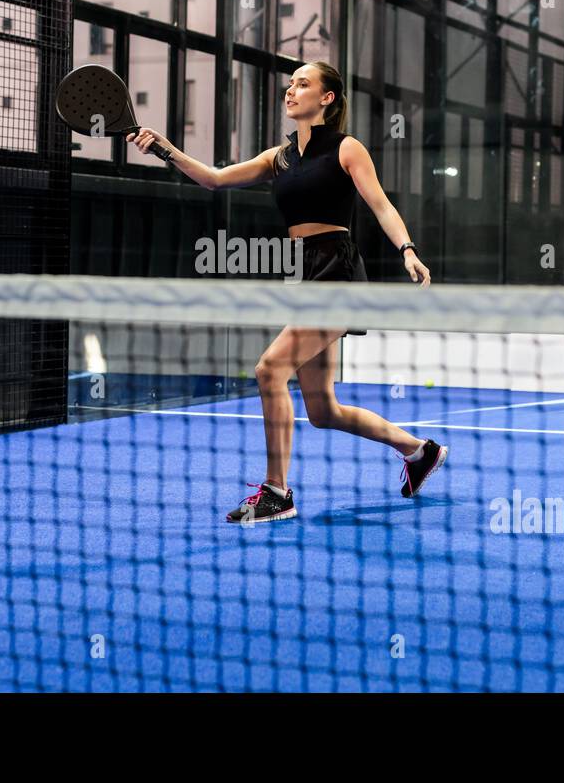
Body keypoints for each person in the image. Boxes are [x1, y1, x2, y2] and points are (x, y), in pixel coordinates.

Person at [126, 61, 447, 524]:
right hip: (302, 271)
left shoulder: (346, 148)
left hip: (336, 269)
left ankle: (277, 492)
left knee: (269, 369)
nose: (291, 91)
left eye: (303, 84)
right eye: (289, 84)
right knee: (322, 409)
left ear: (327, 98)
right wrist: (165, 149)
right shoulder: (279, 158)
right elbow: (215, 179)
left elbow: (381, 204)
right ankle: (420, 452)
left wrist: (408, 249)